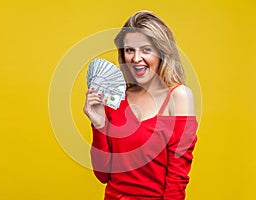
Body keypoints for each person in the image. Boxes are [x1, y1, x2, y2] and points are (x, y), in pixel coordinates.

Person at [84, 10, 198, 200]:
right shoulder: (116, 98)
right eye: (130, 50)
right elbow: (103, 175)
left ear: (162, 53)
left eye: (146, 49)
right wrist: (99, 124)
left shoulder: (178, 96)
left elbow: (177, 178)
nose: (136, 58)